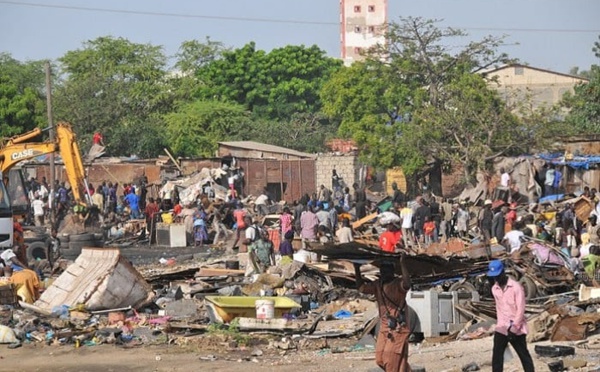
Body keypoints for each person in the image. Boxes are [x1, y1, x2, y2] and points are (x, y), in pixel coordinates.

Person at [354, 256, 411, 371]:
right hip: (385, 327)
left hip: (398, 328)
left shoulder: (397, 284)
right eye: (382, 270)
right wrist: (357, 269)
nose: (384, 272)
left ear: (392, 271)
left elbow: (407, 284)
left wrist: (403, 263)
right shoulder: (377, 285)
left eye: (387, 269)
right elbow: (361, 288)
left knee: (390, 361)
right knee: (380, 359)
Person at [487, 260, 534, 372]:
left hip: (516, 327)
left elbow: (520, 309)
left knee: (523, 355)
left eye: (498, 276)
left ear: (503, 272)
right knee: (497, 355)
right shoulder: (495, 289)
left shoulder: (516, 287)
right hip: (502, 327)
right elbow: (499, 308)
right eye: (494, 277)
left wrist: (514, 328)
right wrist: (500, 325)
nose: (496, 279)